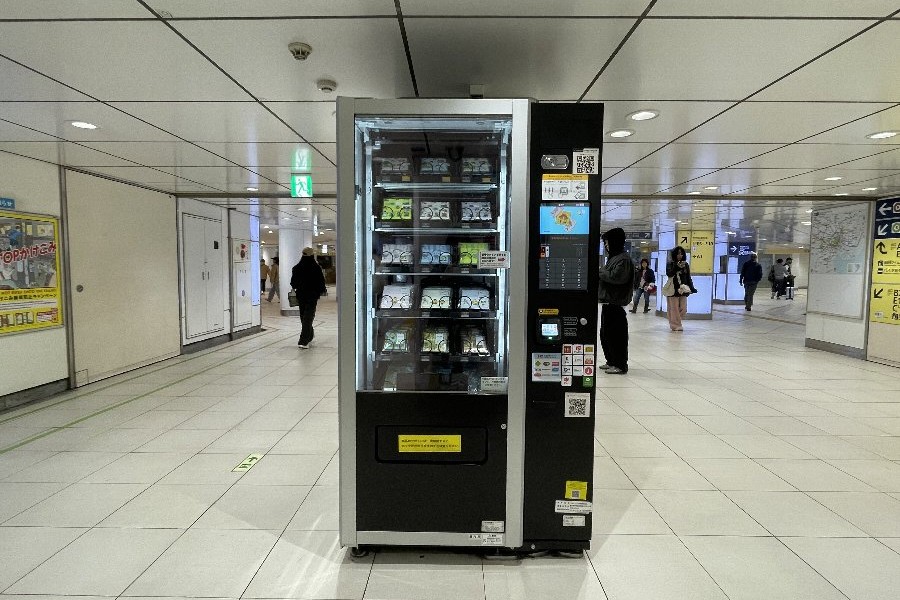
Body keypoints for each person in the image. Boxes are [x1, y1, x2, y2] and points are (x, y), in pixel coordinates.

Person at [597, 228, 634, 374]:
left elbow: (616, 277)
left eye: (608, 242)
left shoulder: (623, 259)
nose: (606, 246)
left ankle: (620, 364)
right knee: (606, 334)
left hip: (616, 303)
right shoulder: (614, 258)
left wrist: (600, 271)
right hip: (608, 303)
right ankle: (611, 361)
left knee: (616, 336)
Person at [290, 247, 327, 349]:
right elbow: (321, 281)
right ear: (312, 255)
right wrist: (321, 290)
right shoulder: (316, 268)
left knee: (303, 316)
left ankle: (307, 337)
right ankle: (305, 339)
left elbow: (293, 283)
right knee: (308, 316)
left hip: (301, 295)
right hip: (312, 295)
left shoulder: (296, 268)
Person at [665, 246, 697, 332]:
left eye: (681, 253)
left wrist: (691, 287)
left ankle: (673, 320)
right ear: (674, 254)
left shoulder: (685, 265)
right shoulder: (670, 264)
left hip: (683, 289)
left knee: (683, 308)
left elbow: (688, 277)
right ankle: (676, 325)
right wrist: (676, 267)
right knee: (674, 308)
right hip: (673, 289)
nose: (680, 255)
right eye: (678, 253)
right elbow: (669, 274)